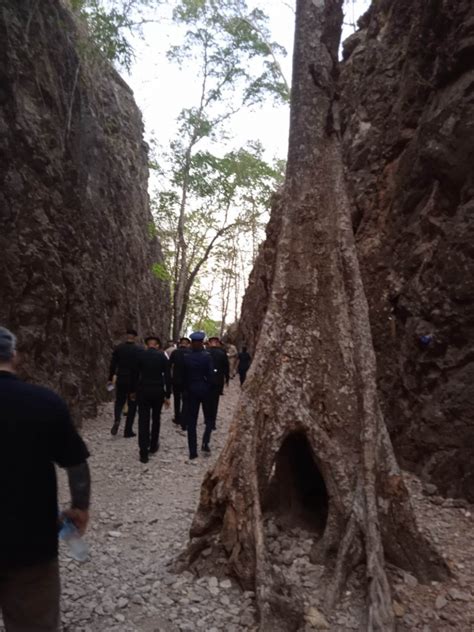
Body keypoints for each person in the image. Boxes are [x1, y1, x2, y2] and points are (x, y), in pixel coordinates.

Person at [0, 326, 90, 632]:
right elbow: (76, 463)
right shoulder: (44, 402)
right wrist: (79, 507)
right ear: (15, 355)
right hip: (31, 543)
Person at [131, 335, 171, 464]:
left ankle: (143, 452)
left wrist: (133, 391)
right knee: (156, 418)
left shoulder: (140, 356)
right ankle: (153, 445)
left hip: (143, 391)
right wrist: (167, 395)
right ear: (158, 345)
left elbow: (135, 375)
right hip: (158, 391)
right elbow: (167, 376)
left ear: (147, 345)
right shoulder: (162, 357)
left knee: (143, 420)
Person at [182, 331, 214, 460]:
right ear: (201, 343)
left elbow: (183, 376)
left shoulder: (186, 357)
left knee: (192, 422)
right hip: (205, 390)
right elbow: (211, 375)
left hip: (191, 391)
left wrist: (185, 390)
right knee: (209, 419)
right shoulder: (207, 357)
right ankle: (205, 442)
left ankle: (192, 451)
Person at [108, 328, 141, 438]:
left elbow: (113, 365)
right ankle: (128, 430)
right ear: (135, 337)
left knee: (119, 401)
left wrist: (110, 378)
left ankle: (117, 419)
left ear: (126, 336)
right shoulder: (139, 350)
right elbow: (141, 367)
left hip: (121, 378)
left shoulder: (119, 348)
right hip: (133, 380)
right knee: (132, 404)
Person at [207, 336, 229, 431]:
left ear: (210, 343)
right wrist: (227, 378)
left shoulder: (206, 353)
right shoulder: (222, 353)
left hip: (207, 380)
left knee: (206, 401)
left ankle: (207, 419)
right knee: (215, 402)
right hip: (218, 381)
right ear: (217, 343)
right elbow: (226, 367)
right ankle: (212, 422)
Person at [169, 337, 191, 430]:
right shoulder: (191, 353)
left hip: (176, 380)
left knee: (177, 399)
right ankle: (184, 418)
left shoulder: (175, 352)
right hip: (188, 380)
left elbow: (169, 365)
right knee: (186, 400)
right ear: (188, 344)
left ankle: (177, 417)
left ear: (180, 343)